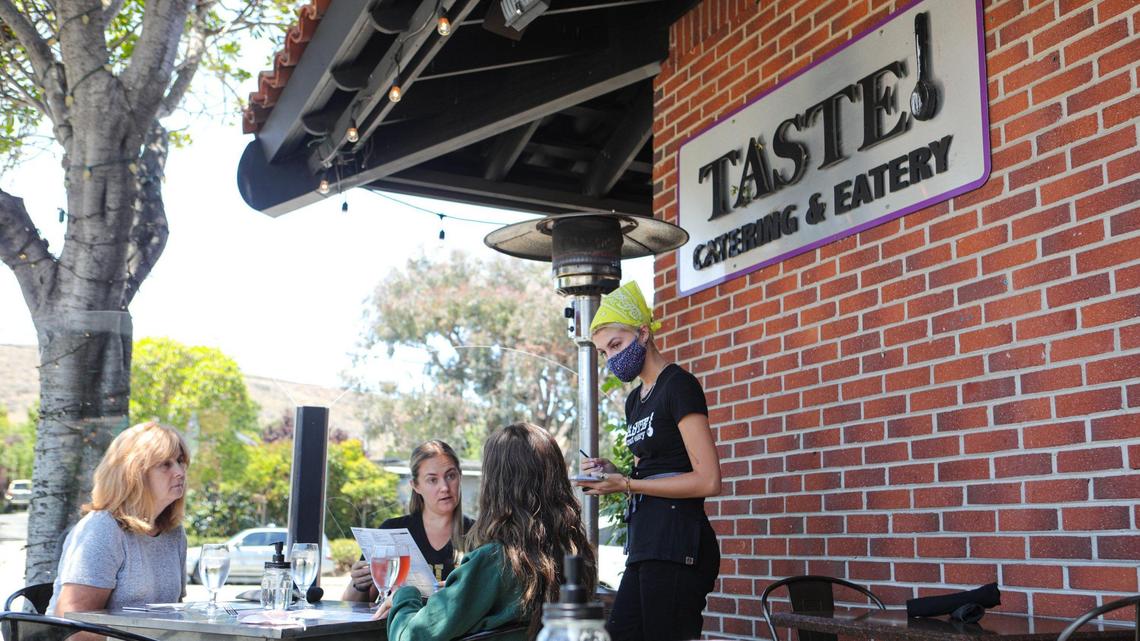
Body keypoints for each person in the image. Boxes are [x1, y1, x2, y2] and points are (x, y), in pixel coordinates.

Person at [577, 280, 722, 641]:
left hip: (677, 542)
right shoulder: (634, 401)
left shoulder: (679, 386)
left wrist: (627, 484)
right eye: (604, 353)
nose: (611, 359)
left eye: (616, 345)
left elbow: (708, 480)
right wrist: (613, 473)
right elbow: (654, 470)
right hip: (645, 544)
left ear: (643, 333)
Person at [379, 422, 597, 641]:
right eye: (432, 480)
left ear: (496, 484)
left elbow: (410, 636)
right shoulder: (573, 554)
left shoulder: (496, 560)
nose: (444, 487)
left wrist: (404, 595)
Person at [49, 421, 190, 617]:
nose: (180, 472)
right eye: (165, 464)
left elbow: (175, 611)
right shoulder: (102, 528)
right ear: (134, 473)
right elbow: (73, 621)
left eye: (180, 461)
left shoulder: (173, 532)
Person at [341, 439, 473, 601]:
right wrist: (359, 584)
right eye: (432, 480)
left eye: (451, 476)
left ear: (460, 477)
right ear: (416, 486)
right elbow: (352, 605)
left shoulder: (480, 534)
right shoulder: (391, 532)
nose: (444, 487)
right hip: (399, 618)